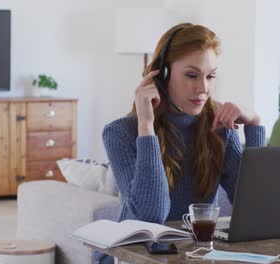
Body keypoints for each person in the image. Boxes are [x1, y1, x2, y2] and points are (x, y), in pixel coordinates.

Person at [96, 23, 265, 263]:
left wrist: (254, 123)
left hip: (196, 255)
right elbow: (150, 215)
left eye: (211, 76)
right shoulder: (119, 133)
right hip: (136, 256)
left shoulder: (219, 129)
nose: (203, 88)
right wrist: (146, 125)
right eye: (192, 75)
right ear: (162, 75)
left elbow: (254, 206)